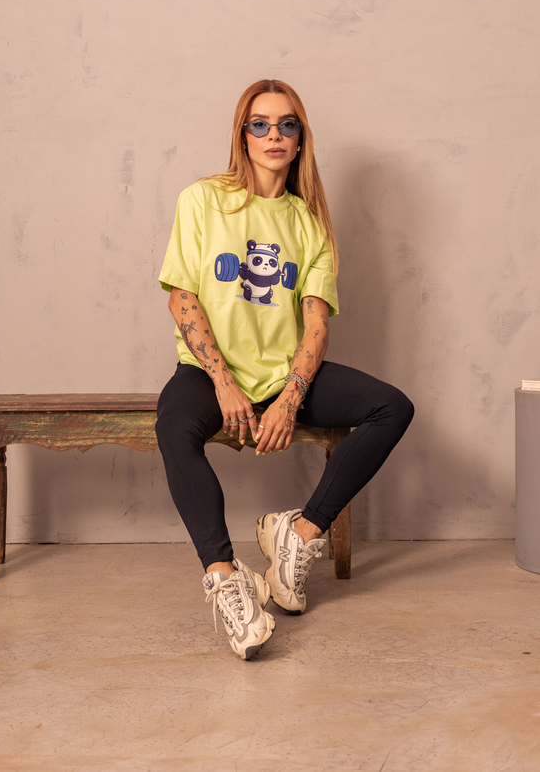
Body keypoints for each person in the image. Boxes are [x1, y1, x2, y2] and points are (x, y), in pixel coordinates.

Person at [155, 79, 414, 660]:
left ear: (300, 140)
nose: (274, 135)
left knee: (391, 407)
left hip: (283, 375)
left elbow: (316, 323)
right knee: (172, 427)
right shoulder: (203, 200)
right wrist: (224, 382)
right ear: (243, 135)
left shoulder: (309, 223)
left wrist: (290, 397)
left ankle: (299, 534)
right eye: (261, 124)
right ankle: (227, 579)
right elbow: (181, 298)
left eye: (286, 124)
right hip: (211, 373)